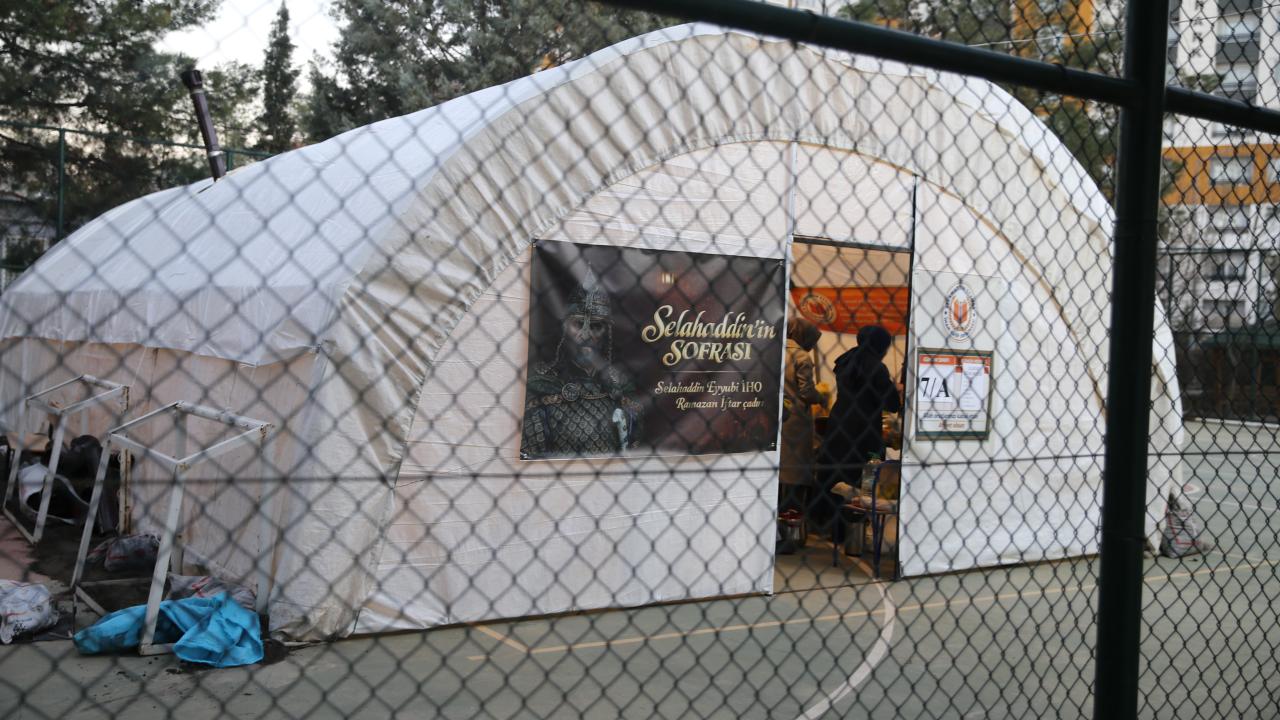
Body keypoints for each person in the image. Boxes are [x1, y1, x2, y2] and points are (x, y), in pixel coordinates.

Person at [521, 267, 643, 459]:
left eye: (595, 326)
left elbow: (634, 447)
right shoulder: (543, 384)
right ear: (565, 327)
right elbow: (531, 455)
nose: (585, 335)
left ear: (607, 332)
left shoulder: (620, 385)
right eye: (578, 324)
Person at [815, 324, 902, 533]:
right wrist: (896, 389)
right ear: (880, 345)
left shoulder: (845, 361)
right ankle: (862, 527)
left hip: (839, 423)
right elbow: (891, 403)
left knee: (837, 473)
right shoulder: (877, 367)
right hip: (864, 429)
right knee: (868, 473)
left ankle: (835, 528)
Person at [779, 317, 825, 531]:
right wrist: (821, 397)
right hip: (795, 421)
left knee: (777, 472)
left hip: (775, 415)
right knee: (795, 472)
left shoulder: (774, 351)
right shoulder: (801, 356)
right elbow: (806, 392)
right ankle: (791, 526)